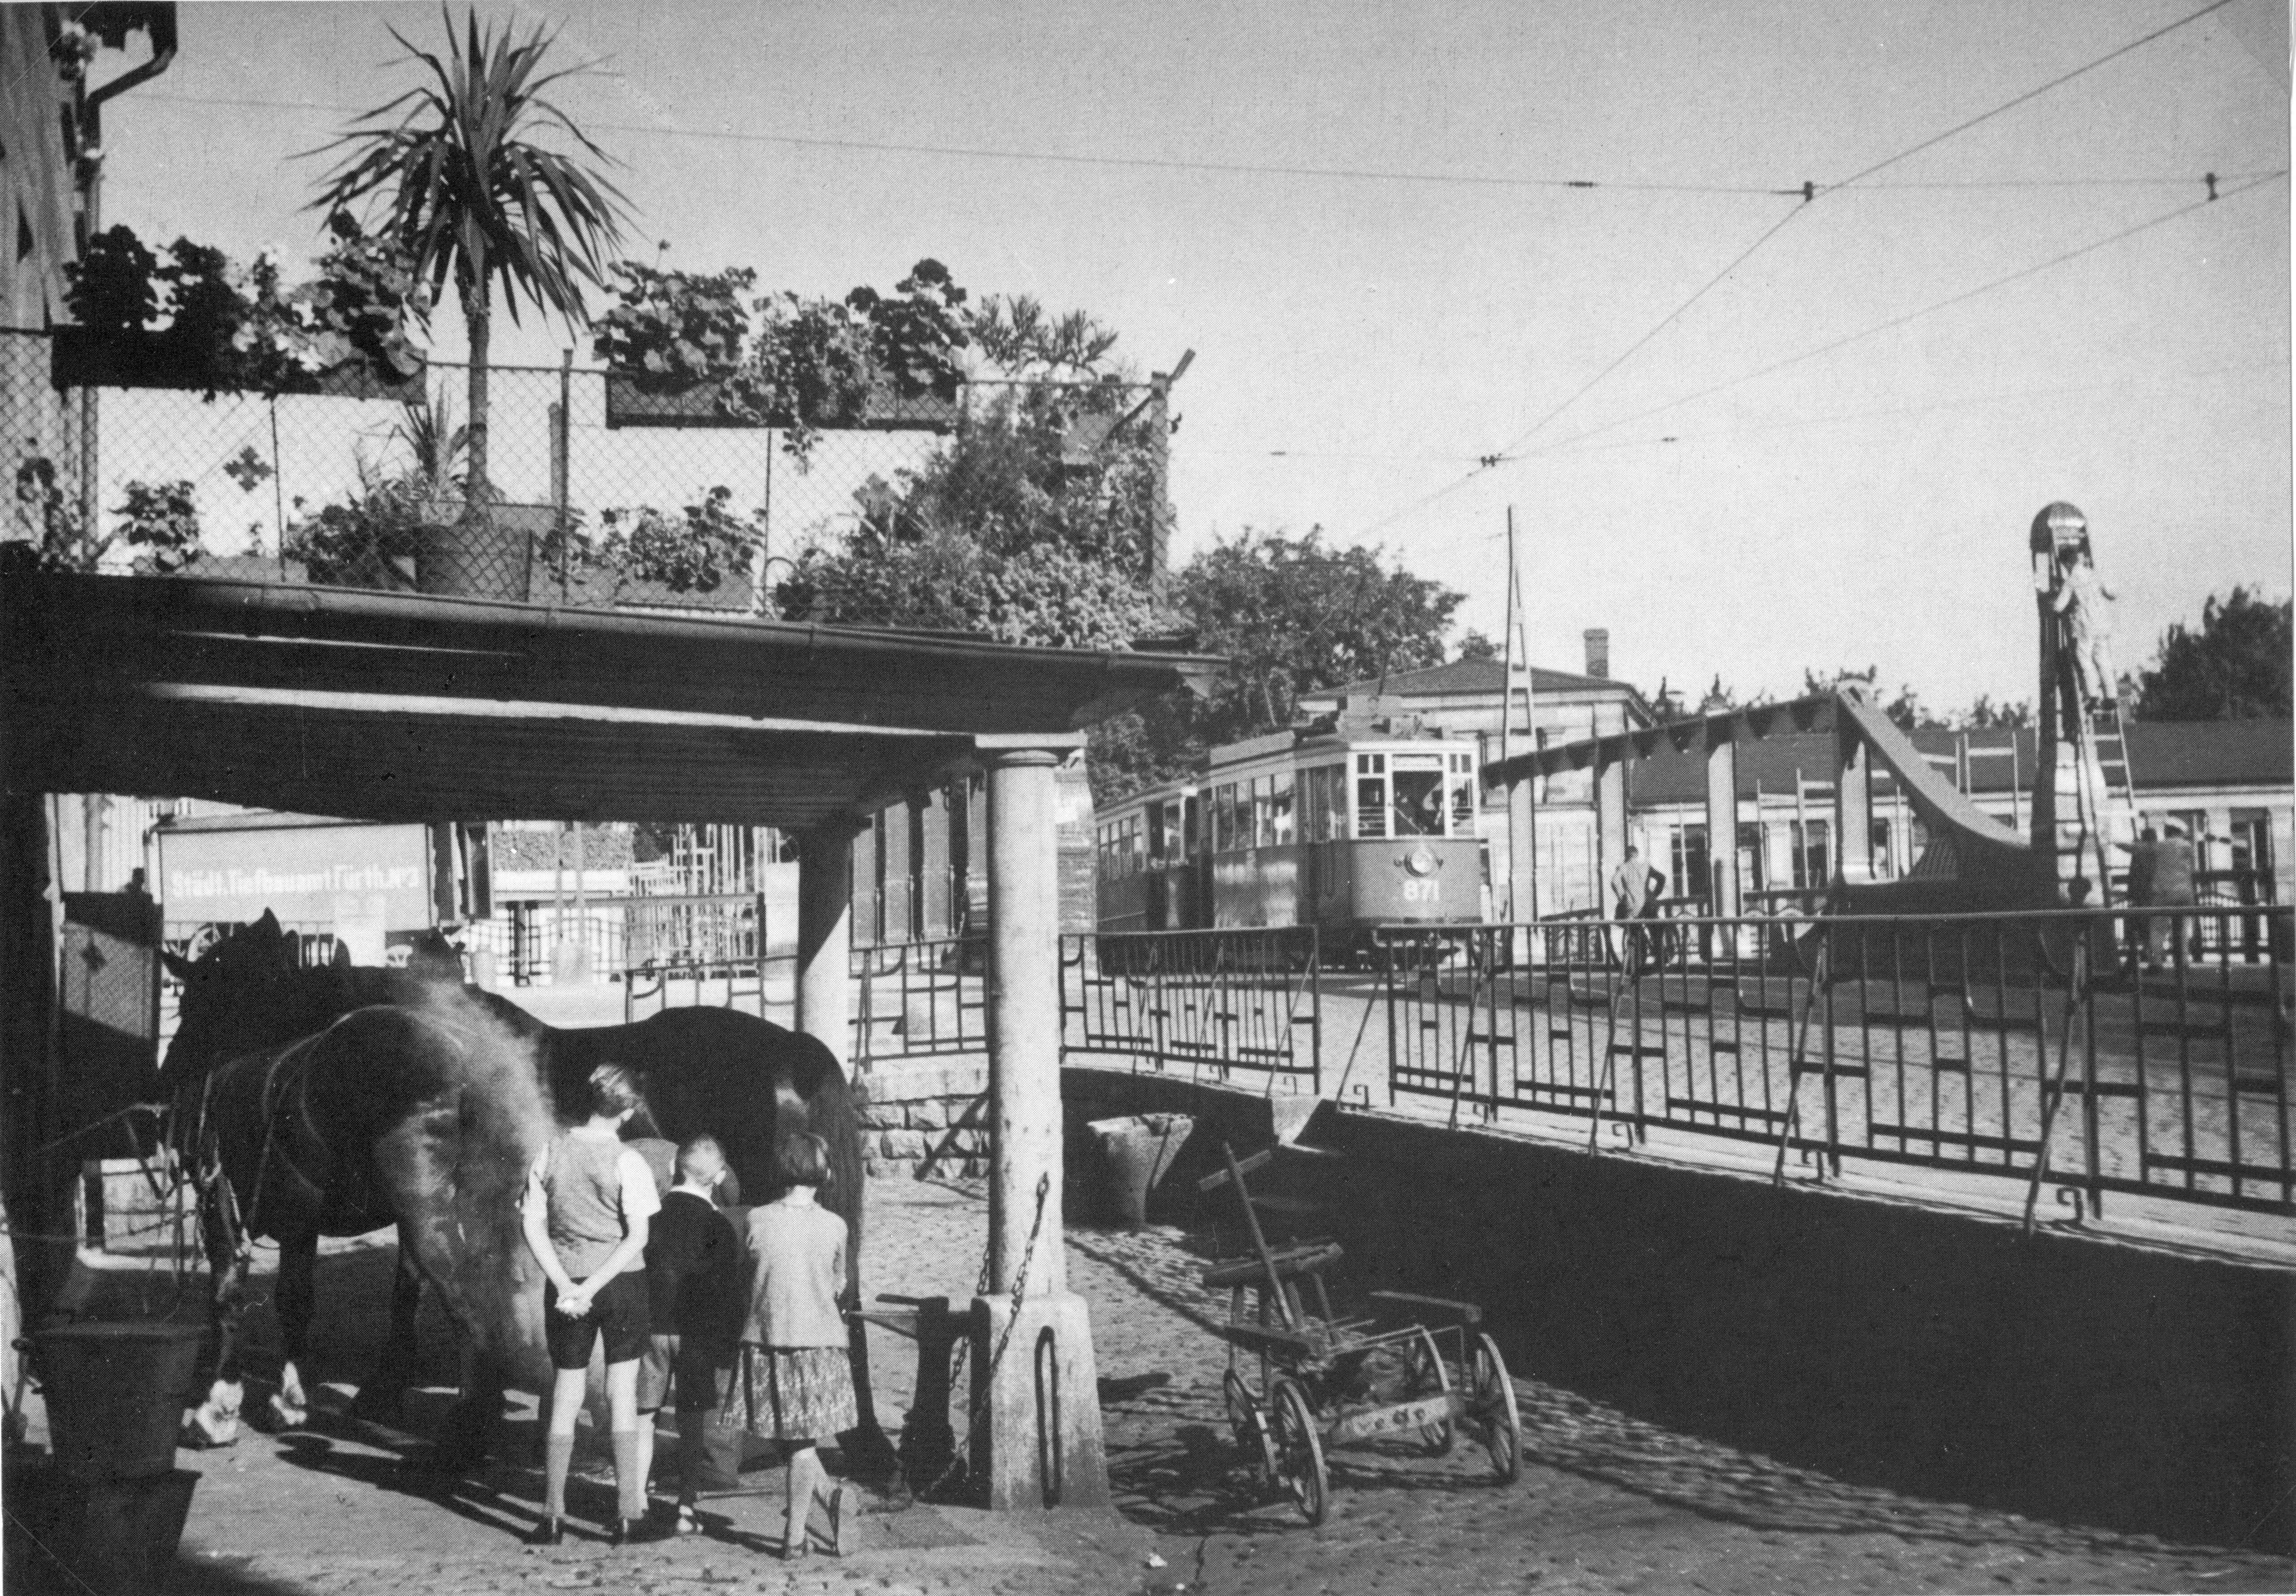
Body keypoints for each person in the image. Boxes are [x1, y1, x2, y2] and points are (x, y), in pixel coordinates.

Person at [520, 1063, 662, 1547]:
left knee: (566, 1392)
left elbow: (532, 1223)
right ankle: (628, 1515)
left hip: (565, 1283)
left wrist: (568, 1284)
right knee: (622, 1393)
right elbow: (637, 1236)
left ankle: (551, 1515)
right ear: (628, 1110)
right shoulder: (629, 1161)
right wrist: (595, 1285)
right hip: (621, 1285)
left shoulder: (550, 1150)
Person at [736, 1132, 859, 1559]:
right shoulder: (836, 1226)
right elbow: (839, 1284)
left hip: (766, 1338)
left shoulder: (756, 1219)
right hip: (817, 1341)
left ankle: (794, 1536)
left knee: (792, 1437)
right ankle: (829, 1497)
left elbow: (750, 1273)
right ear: (824, 1173)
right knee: (800, 1439)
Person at [636, 1136, 743, 1536]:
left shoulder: (650, 1218)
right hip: (697, 1335)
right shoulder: (721, 1227)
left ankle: (636, 1501)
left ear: (672, 1170)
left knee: (644, 1415)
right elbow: (726, 1294)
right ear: (719, 1177)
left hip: (652, 1330)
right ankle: (685, 1508)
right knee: (693, 1420)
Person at [2050, 546, 2118, 713]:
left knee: (2084, 659)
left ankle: (2092, 695)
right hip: (2102, 624)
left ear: (2067, 563)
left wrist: (2051, 603)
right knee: (2103, 660)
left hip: (2085, 626)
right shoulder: (2094, 574)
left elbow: (2059, 607)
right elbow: (2112, 594)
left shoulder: (2072, 581)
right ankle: (2111, 696)